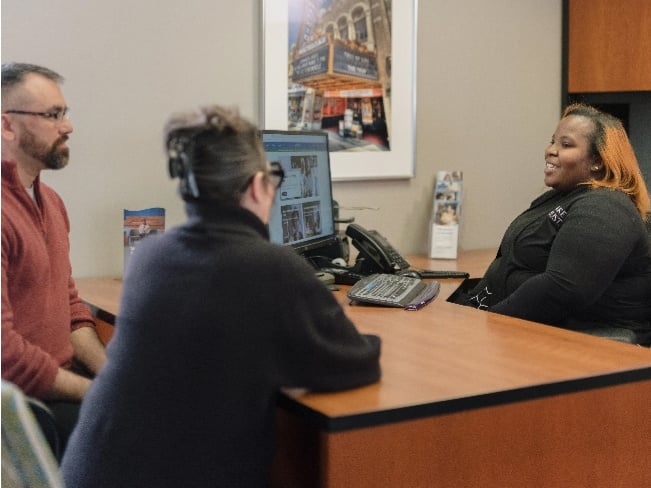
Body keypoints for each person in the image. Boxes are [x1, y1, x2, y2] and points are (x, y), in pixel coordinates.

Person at [61, 105, 381, 487]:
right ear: (257, 186)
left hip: (91, 472)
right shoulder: (271, 268)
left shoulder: (151, 255)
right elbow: (355, 363)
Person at [453, 103, 651, 344]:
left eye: (566, 145)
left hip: (572, 342)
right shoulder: (565, 196)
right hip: (500, 319)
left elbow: (562, 289)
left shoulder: (606, 207)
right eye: (553, 142)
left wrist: (485, 323)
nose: (550, 151)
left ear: (597, 161)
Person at [1, 62, 107, 456]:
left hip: (61, 384)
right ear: (7, 126)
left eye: (65, 113)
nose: (68, 126)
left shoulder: (52, 203)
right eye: (53, 115)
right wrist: (97, 393)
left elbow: (70, 307)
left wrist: (110, 376)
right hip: (25, 406)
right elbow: (5, 354)